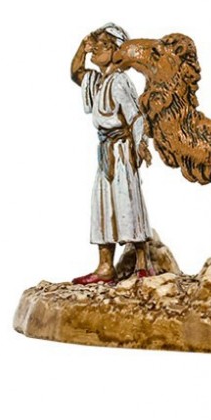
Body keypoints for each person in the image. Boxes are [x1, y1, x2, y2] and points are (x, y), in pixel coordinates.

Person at [70, 24, 154, 284]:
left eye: (103, 45)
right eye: (96, 45)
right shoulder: (97, 81)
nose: (96, 49)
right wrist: (82, 48)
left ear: (116, 52)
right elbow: (76, 73)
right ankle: (105, 266)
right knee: (103, 205)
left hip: (121, 152)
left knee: (128, 201)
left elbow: (135, 116)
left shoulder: (119, 81)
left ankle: (143, 263)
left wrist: (140, 144)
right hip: (105, 152)